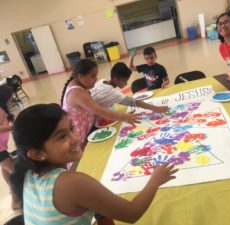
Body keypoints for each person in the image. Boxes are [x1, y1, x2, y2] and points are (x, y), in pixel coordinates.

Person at [9, 103, 178, 225]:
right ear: (37, 153)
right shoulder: (70, 183)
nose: (75, 138)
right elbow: (131, 214)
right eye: (61, 137)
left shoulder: (27, 173)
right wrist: (155, 180)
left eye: (72, 128)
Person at [61, 59, 140, 146]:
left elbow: (90, 107)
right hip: (79, 135)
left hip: (88, 127)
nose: (96, 79)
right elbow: (97, 110)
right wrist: (124, 117)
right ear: (81, 76)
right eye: (93, 76)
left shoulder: (79, 84)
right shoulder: (77, 93)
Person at [91, 62, 169, 118]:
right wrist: (157, 108)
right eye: (125, 81)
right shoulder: (112, 93)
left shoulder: (102, 81)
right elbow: (135, 102)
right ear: (116, 79)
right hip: (96, 117)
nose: (126, 83)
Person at [0, 84, 20, 210]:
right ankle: (16, 200)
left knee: (7, 171)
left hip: (1, 147)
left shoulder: (3, 109)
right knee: (16, 173)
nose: (12, 98)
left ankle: (14, 197)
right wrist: (13, 127)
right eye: (10, 95)